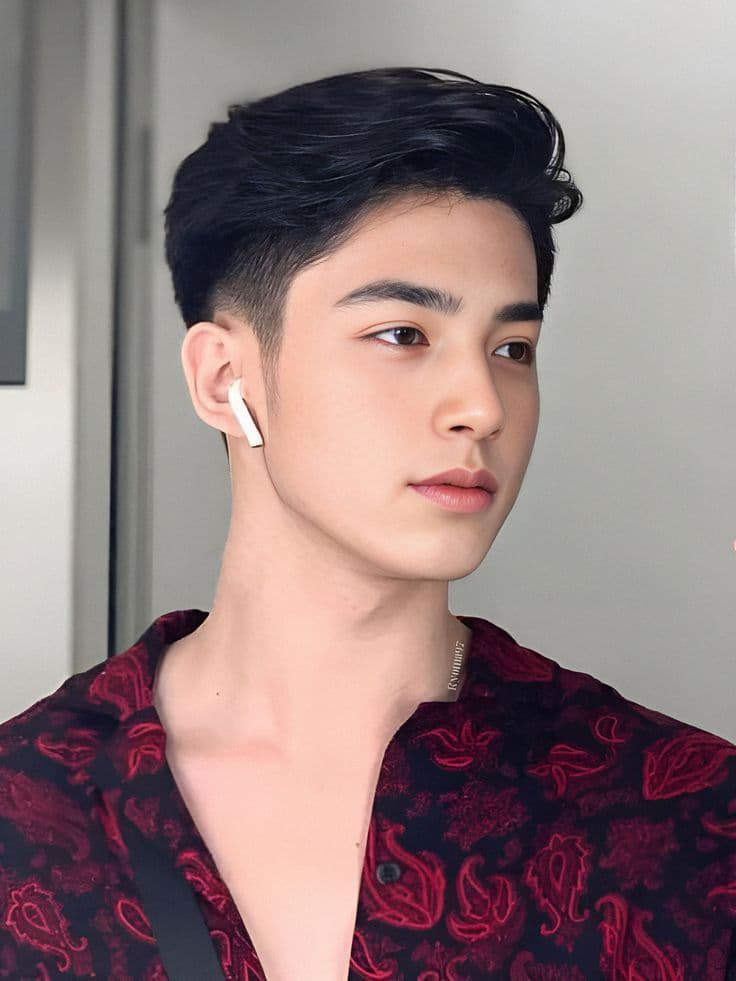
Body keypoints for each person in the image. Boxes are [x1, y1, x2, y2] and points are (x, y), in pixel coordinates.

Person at [1, 66, 734, 981]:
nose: (482, 406)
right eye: (403, 335)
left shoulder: (686, 821)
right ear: (225, 379)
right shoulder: (27, 812)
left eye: (512, 348)